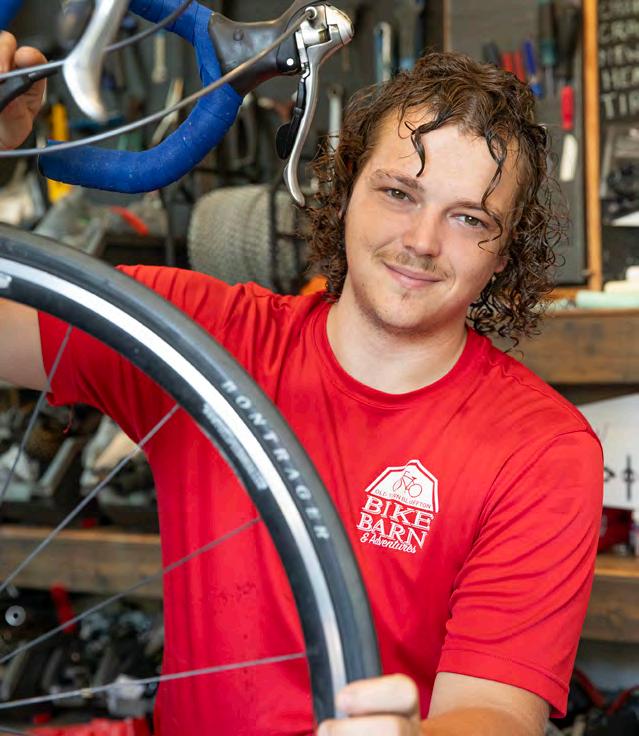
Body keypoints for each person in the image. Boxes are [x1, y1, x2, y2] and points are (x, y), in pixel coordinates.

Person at [0, 30, 603, 736]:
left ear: (503, 254)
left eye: (469, 218)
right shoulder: (200, 339)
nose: (421, 241)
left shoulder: (541, 449)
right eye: (398, 193)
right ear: (343, 194)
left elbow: (497, 712)